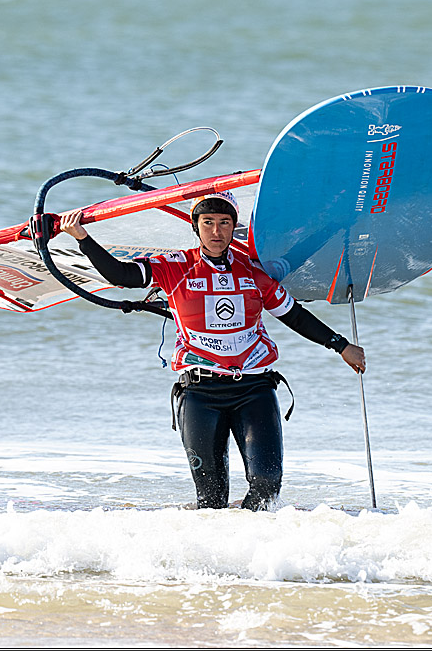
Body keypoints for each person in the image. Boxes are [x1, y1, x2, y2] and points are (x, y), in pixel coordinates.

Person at [58, 191, 366, 511]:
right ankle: (224, 554)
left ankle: (253, 545)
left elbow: (295, 315)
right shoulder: (175, 267)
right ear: (196, 227)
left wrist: (341, 346)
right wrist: (81, 236)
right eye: (208, 223)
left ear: (234, 227)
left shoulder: (255, 271)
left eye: (224, 223)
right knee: (211, 500)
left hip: (254, 389)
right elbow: (121, 275)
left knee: (267, 484)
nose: (216, 232)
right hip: (200, 393)